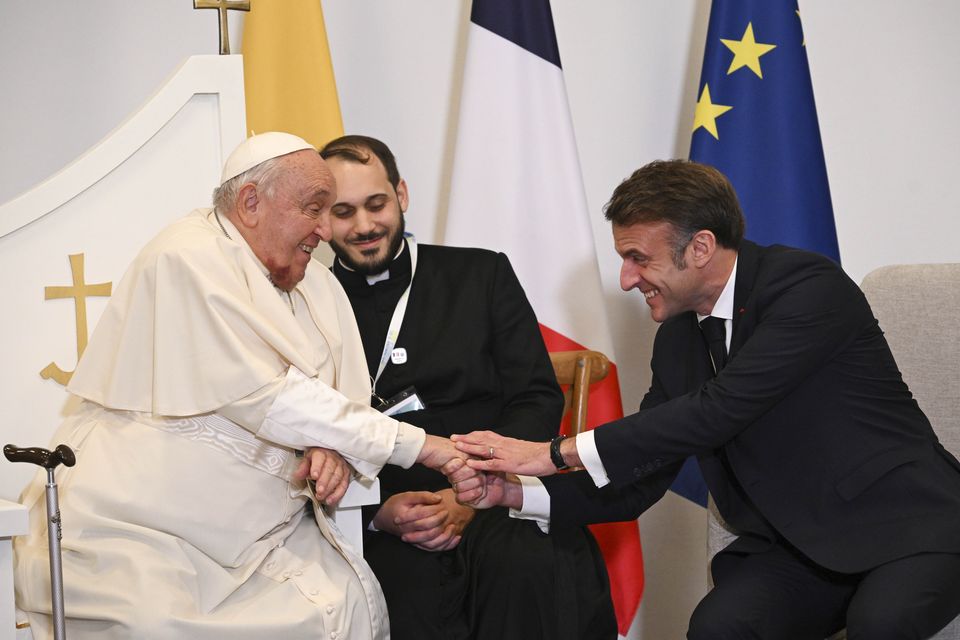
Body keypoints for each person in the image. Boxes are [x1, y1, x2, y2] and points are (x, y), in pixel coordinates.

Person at [452, 159, 960, 639]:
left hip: (909, 528)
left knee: (882, 622)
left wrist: (553, 452)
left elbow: (721, 409)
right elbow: (641, 472)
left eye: (638, 258)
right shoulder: (678, 338)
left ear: (699, 248)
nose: (628, 279)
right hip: (801, 548)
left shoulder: (807, 286)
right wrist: (515, 494)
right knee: (720, 626)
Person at [13, 132, 481, 640]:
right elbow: (266, 397)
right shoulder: (185, 257)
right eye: (314, 209)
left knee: (340, 607)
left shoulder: (316, 282)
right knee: (152, 623)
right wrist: (422, 447)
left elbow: (341, 399)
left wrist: (336, 450)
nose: (326, 230)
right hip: (142, 532)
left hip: (262, 537)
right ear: (252, 202)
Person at [318, 134, 617, 640]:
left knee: (528, 564)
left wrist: (473, 492)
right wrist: (376, 513)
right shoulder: (308, 300)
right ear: (320, 219)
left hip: (492, 493)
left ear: (402, 195)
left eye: (377, 204)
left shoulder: (481, 273)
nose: (365, 226)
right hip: (378, 509)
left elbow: (536, 395)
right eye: (343, 212)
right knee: (369, 588)